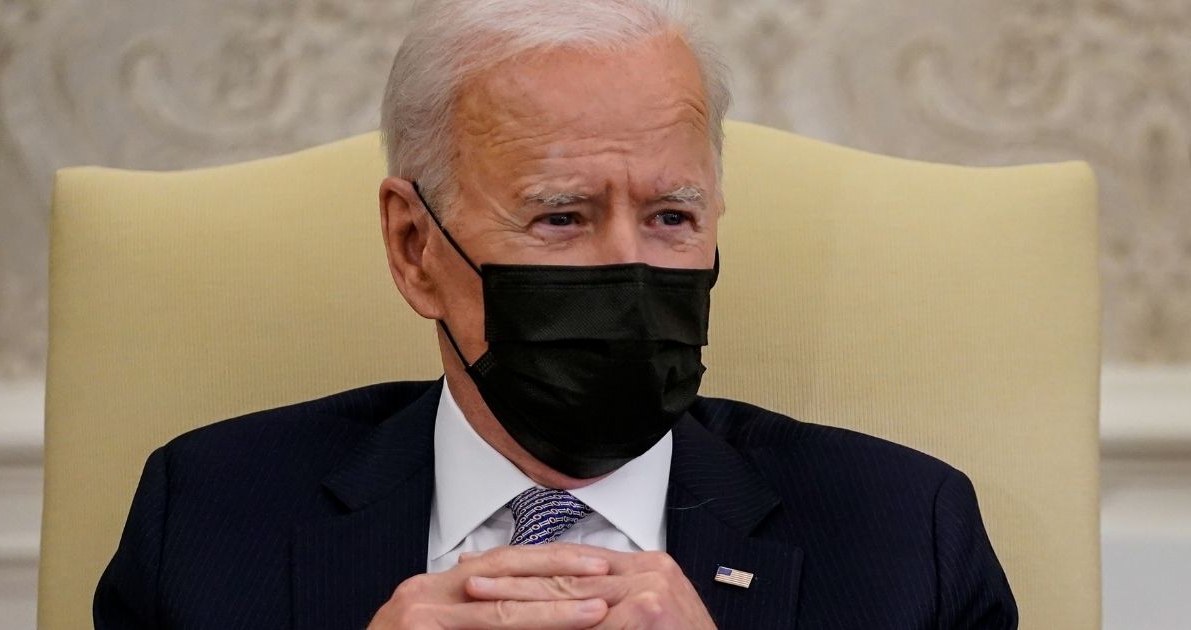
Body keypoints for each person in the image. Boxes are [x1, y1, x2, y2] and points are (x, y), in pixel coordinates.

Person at [94, 1, 1017, 628]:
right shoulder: (211, 515)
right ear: (415, 247)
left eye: (671, 217)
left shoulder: (904, 536)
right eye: (561, 217)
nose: (627, 266)